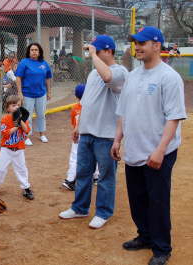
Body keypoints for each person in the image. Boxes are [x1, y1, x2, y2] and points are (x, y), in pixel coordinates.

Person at [111, 26, 187, 265]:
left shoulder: (169, 77)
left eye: (142, 43)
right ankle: (144, 235)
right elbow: (123, 112)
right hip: (135, 148)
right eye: (135, 43)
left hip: (158, 150)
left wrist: (161, 150)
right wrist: (117, 139)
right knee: (137, 198)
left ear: (157, 45)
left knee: (157, 201)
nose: (138, 47)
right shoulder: (133, 75)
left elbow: (174, 117)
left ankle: (162, 248)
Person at [58, 35, 128, 229]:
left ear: (108, 51)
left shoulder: (120, 71)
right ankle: (79, 208)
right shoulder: (92, 74)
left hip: (106, 135)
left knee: (105, 177)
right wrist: (78, 127)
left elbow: (108, 77)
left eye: (97, 51)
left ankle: (104, 212)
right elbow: (86, 103)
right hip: (87, 133)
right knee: (83, 173)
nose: (92, 54)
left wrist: (93, 55)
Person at [0, 95, 34, 200]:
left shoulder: (22, 119)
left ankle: (26, 188)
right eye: (14, 105)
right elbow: (6, 134)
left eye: (19, 105)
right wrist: (16, 125)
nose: (17, 107)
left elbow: (27, 131)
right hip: (6, 149)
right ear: (8, 108)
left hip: (19, 149)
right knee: (1, 169)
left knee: (21, 169)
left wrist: (20, 121)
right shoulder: (5, 119)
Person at [61, 84, 99, 191]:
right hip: (93, 134)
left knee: (75, 157)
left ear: (76, 96)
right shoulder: (94, 106)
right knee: (95, 154)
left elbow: (74, 125)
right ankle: (96, 177)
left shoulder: (75, 108)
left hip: (78, 135)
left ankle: (70, 180)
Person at [15, 42, 52, 146]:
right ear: (29, 52)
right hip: (27, 94)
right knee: (27, 116)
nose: (34, 52)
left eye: (36, 50)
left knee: (41, 115)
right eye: (32, 50)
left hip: (41, 94)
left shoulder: (44, 64)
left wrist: (49, 92)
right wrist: (20, 92)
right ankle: (26, 136)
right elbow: (18, 77)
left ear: (39, 52)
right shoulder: (24, 62)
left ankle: (42, 134)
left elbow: (48, 78)